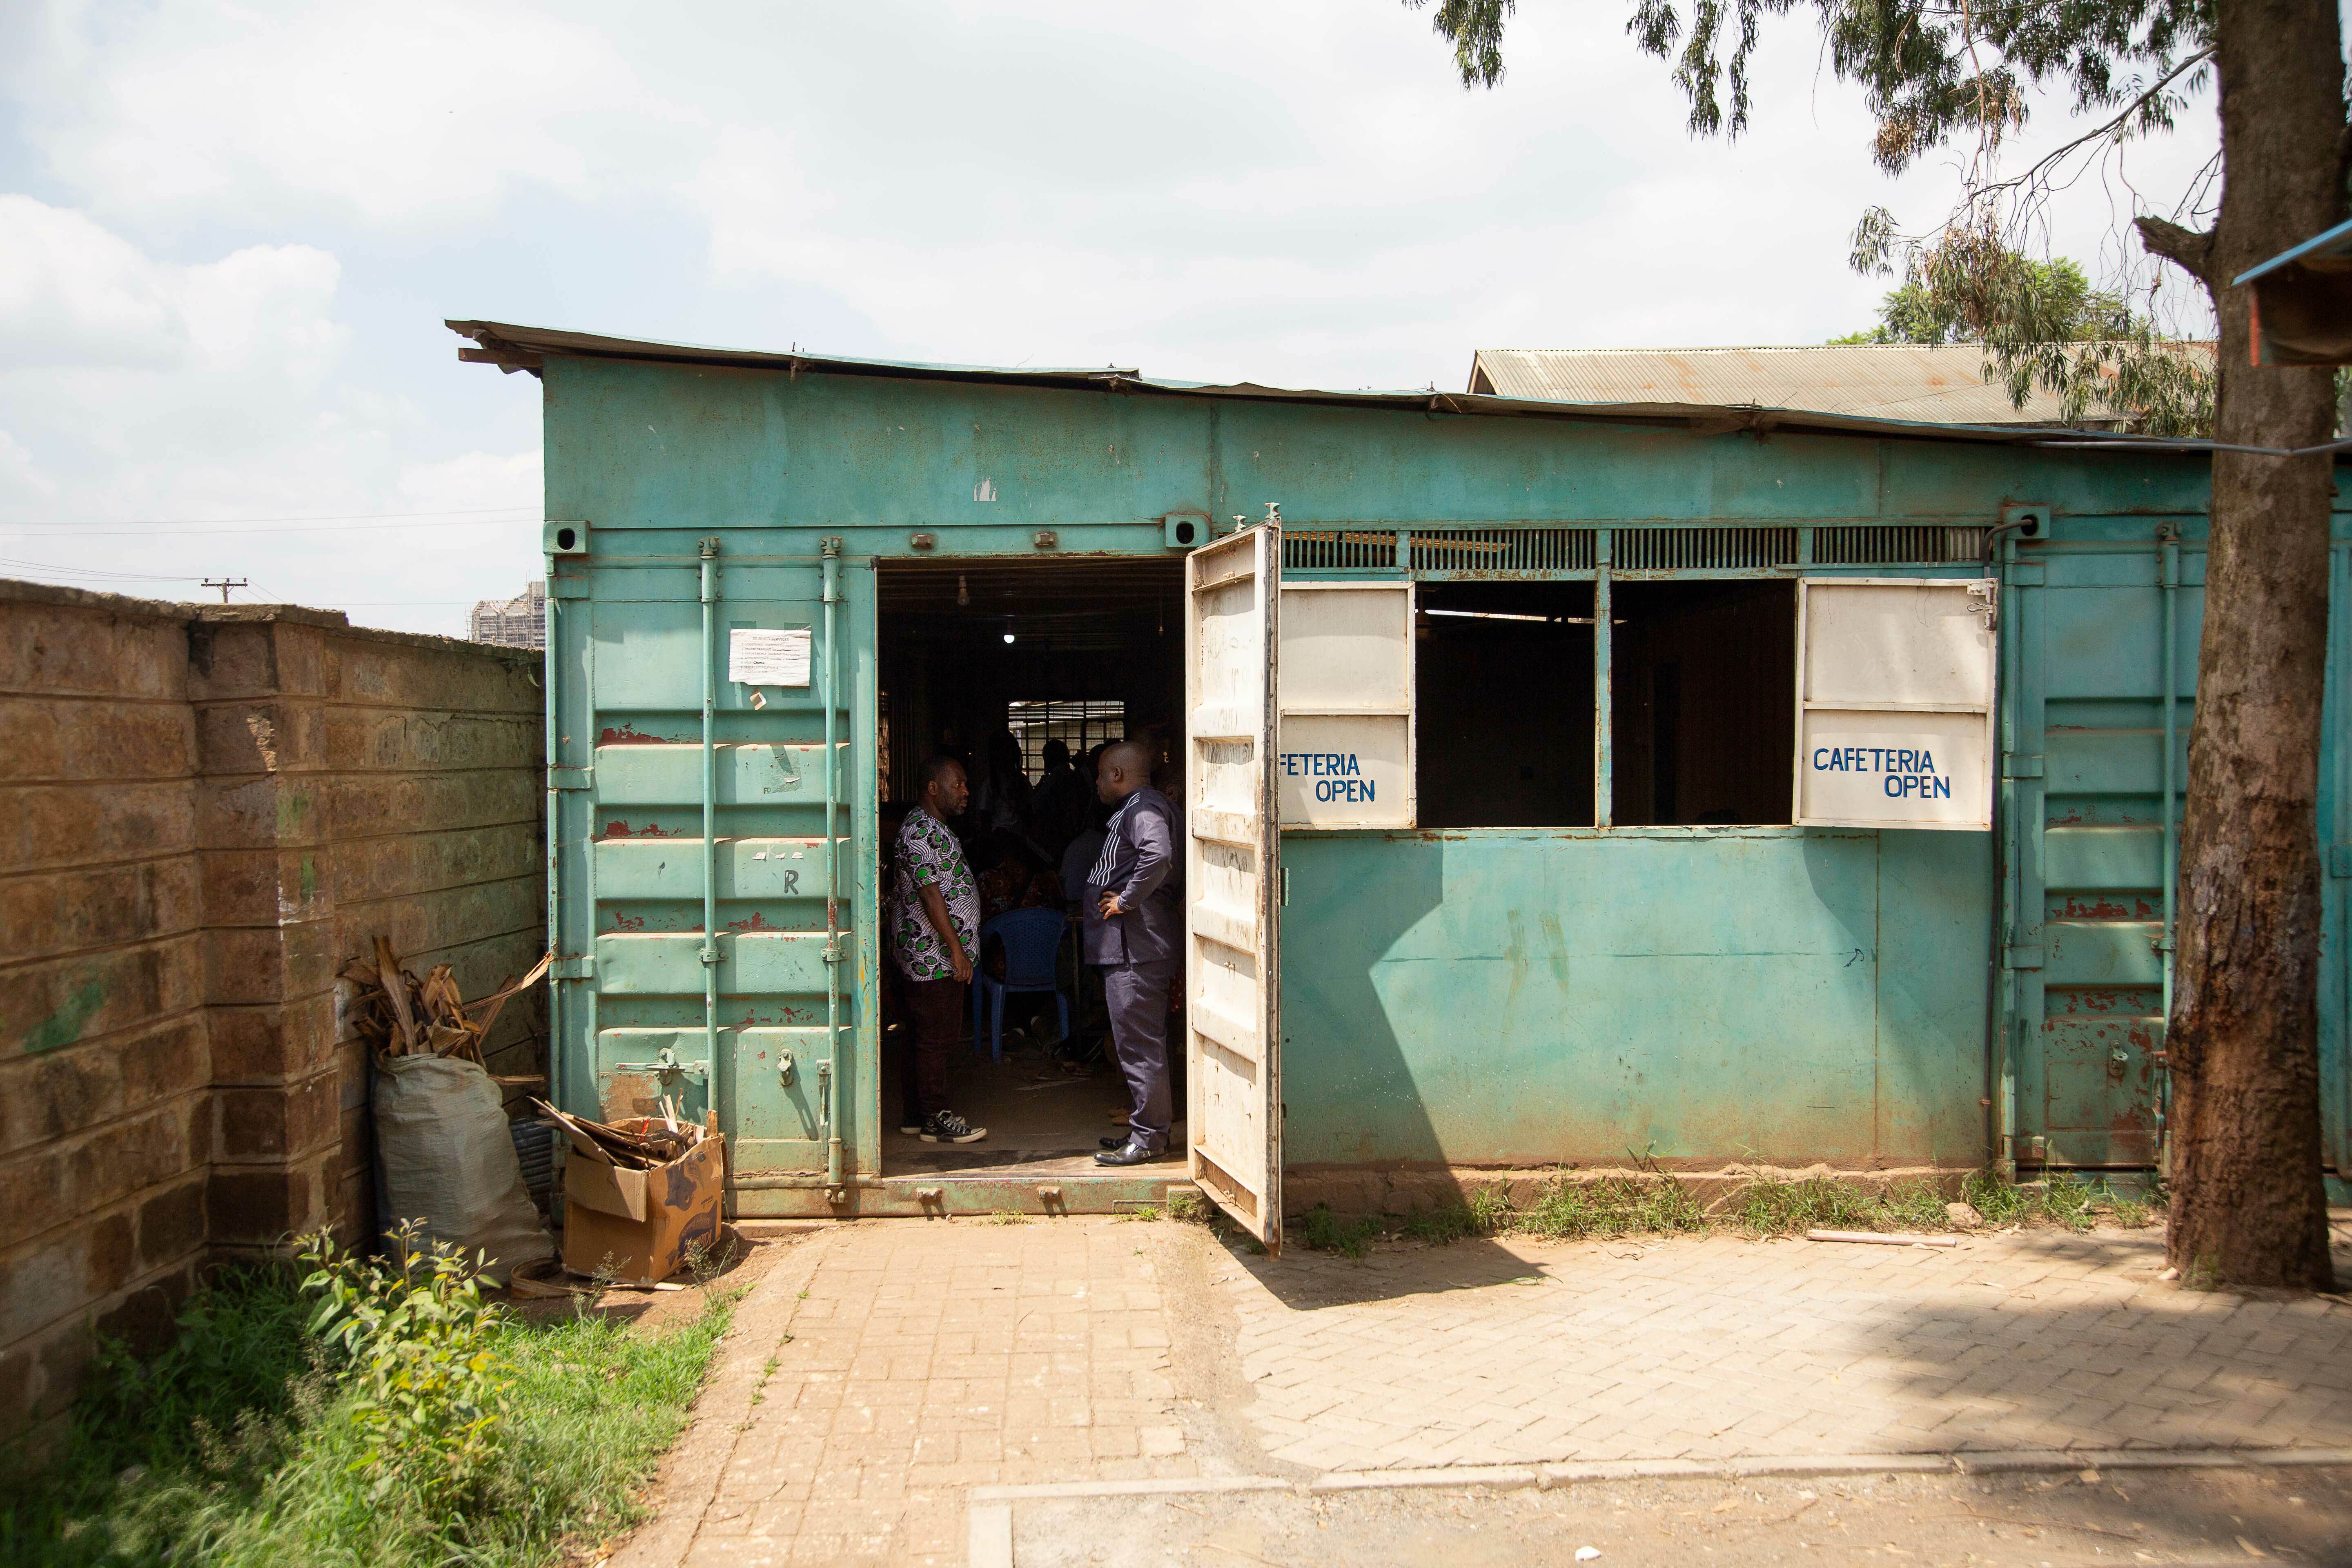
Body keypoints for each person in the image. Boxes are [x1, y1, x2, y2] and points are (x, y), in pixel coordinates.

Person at [1085, 740, 1182, 1165]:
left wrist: (1125, 901)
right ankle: (1148, 1128)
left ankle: (1148, 1140)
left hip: (1136, 948)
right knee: (1138, 1043)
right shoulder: (1138, 807)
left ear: (1118, 775)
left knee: (1141, 1045)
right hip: (1130, 948)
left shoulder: (1143, 808)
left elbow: (1158, 854)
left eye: (1102, 774)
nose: (1098, 783)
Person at [887, 756, 988, 1144]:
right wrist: (957, 951)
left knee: (921, 1036)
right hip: (934, 957)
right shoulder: (919, 831)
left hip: (935, 954)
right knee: (937, 1038)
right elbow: (931, 896)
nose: (965, 792)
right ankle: (936, 1118)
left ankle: (916, 1114)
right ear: (934, 788)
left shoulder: (934, 828)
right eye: (958, 785)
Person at [1030, 737, 1091, 858]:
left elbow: (1035, 805)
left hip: (1055, 837)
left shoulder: (1053, 780)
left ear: (1048, 759)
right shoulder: (1077, 778)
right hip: (1075, 834)